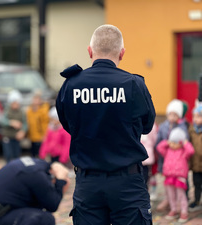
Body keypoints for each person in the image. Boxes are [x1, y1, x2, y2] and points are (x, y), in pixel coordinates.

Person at [56, 24, 155, 224]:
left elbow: (68, 125)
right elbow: (147, 126)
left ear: (90, 51)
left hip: (88, 183)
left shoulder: (71, 85)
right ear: (122, 53)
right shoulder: (134, 84)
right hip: (128, 182)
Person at [0, 157, 70, 225]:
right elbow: (53, 205)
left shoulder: (35, 164)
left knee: (36, 209)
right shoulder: (38, 176)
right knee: (45, 219)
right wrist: (60, 182)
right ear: (53, 175)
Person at [155, 99, 189, 211]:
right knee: (167, 181)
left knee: (179, 183)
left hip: (178, 159)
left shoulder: (181, 126)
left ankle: (180, 202)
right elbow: (158, 141)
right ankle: (168, 200)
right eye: (170, 114)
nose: (172, 117)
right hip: (165, 158)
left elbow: (185, 141)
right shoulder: (163, 126)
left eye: (175, 114)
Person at [156, 127, 194, 223]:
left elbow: (191, 151)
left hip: (179, 177)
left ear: (180, 143)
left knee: (181, 195)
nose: (172, 144)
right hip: (169, 176)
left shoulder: (183, 152)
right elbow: (159, 147)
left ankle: (184, 211)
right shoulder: (167, 150)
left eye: (175, 142)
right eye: (171, 142)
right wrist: (167, 142)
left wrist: (185, 143)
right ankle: (173, 210)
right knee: (171, 195)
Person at [1, 90, 27, 163]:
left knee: (16, 155)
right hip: (8, 137)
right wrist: (11, 122)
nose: (16, 104)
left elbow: (25, 124)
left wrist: (23, 131)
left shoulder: (21, 112)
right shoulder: (7, 110)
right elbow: (2, 121)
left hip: (16, 137)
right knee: (8, 154)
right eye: (14, 102)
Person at [26, 91, 49, 157]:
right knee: (33, 154)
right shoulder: (29, 110)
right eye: (34, 99)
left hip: (40, 136)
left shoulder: (43, 110)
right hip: (32, 136)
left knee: (40, 154)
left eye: (37, 99)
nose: (35, 101)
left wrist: (45, 134)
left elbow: (45, 123)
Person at [188, 105, 202, 212]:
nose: (195, 119)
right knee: (196, 183)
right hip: (195, 163)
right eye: (194, 116)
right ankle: (196, 200)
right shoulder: (192, 130)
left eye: (198, 116)